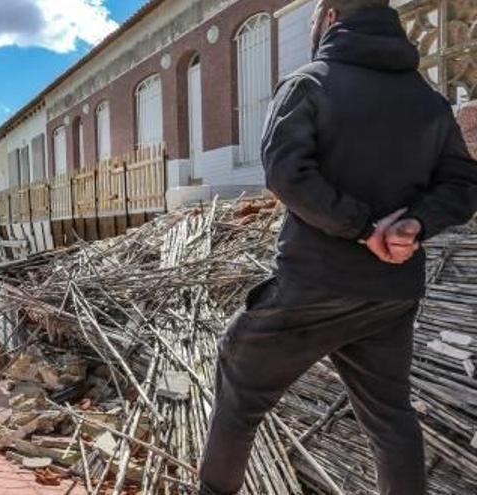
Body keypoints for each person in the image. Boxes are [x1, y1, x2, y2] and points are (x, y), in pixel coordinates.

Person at [197, 0, 477, 494]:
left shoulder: (309, 83)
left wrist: (362, 226)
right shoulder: (429, 101)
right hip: (390, 293)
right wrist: (412, 224)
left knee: (239, 395)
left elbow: (286, 173)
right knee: (391, 418)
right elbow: (462, 185)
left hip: (313, 286)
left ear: (330, 18)